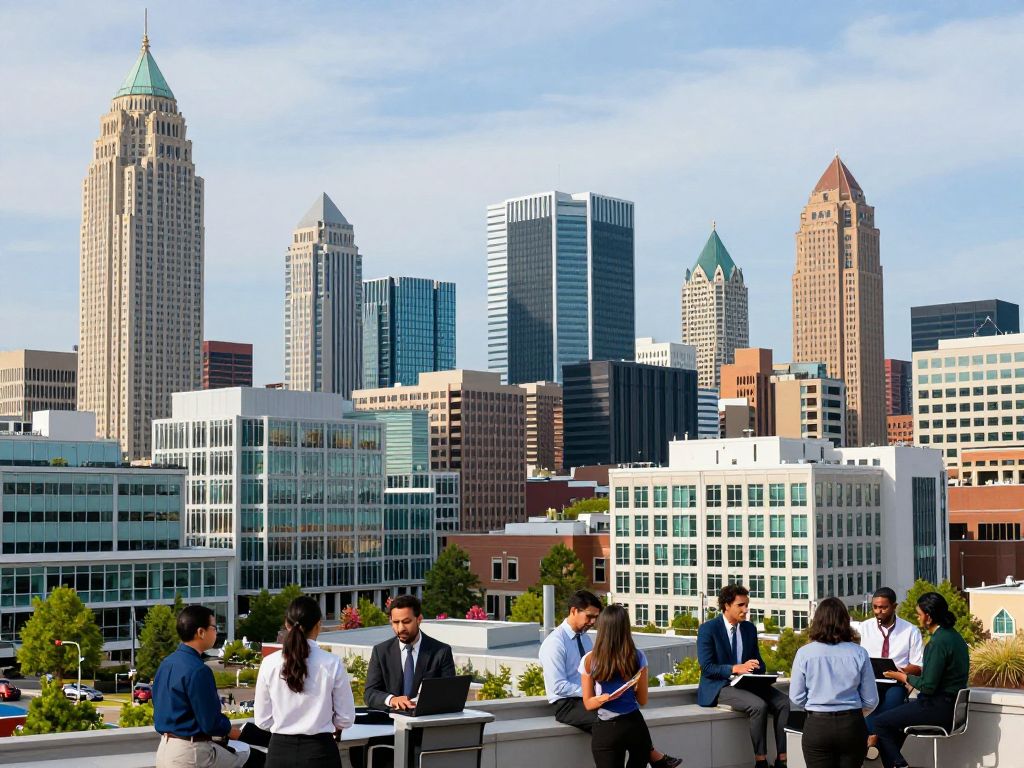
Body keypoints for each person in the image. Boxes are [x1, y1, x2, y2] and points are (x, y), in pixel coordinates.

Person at [538, 590, 681, 768]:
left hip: (593, 698)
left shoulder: (586, 640)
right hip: (568, 703)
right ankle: (652, 755)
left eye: (596, 618)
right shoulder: (555, 643)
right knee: (616, 720)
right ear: (574, 611)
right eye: (589, 616)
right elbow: (558, 686)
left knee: (625, 717)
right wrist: (595, 691)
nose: (592, 622)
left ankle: (648, 754)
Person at [353, 594, 456, 768]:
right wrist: (392, 699)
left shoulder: (441, 652)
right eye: (395, 622)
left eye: (406, 622)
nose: (401, 628)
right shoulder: (381, 652)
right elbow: (370, 694)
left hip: (427, 737)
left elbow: (450, 696)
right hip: (388, 737)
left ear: (419, 619)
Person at [254, 596, 355, 768]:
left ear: (287, 624)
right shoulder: (332, 663)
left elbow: (262, 720)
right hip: (320, 751)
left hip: (280, 753)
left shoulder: (269, 663)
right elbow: (345, 719)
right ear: (318, 625)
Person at [697, 584, 790, 768]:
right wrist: (736, 668)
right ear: (726, 606)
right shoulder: (708, 629)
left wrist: (757, 667)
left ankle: (782, 759)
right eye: (741, 605)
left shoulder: (749, 629)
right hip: (721, 686)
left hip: (748, 683)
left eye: (747, 605)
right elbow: (707, 667)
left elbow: (758, 662)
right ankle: (760, 761)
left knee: (784, 703)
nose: (746, 610)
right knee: (758, 706)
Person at [874, 592, 970, 768]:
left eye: (919, 614)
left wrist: (901, 676)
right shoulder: (955, 637)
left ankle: (900, 765)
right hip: (949, 706)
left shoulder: (937, 643)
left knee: (880, 723)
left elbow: (928, 686)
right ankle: (895, 764)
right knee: (894, 726)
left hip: (937, 708)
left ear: (929, 616)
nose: (917, 618)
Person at [153, 605, 246, 768]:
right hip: (191, 753)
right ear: (201, 632)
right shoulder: (198, 670)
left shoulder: (166, 663)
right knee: (248, 757)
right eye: (214, 628)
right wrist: (231, 729)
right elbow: (210, 723)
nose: (216, 632)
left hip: (164, 749)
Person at [789, 598, 878, 768]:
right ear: (846, 621)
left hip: (817, 725)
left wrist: (815, 707)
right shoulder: (859, 653)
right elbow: (871, 700)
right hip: (852, 724)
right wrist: (853, 713)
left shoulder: (804, 653)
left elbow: (796, 696)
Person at [580, 605, 657, 768]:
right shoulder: (638, 657)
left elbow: (588, 703)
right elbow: (642, 700)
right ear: (625, 627)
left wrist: (602, 699)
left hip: (606, 729)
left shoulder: (589, 660)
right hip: (634, 725)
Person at [855, 587, 924, 760]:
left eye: (883, 607)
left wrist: (901, 671)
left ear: (895, 606)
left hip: (896, 682)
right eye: (875, 607)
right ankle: (876, 741)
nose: (878, 611)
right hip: (870, 681)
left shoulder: (910, 631)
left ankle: (872, 738)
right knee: (861, 705)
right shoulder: (864, 628)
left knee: (894, 700)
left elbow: (918, 666)